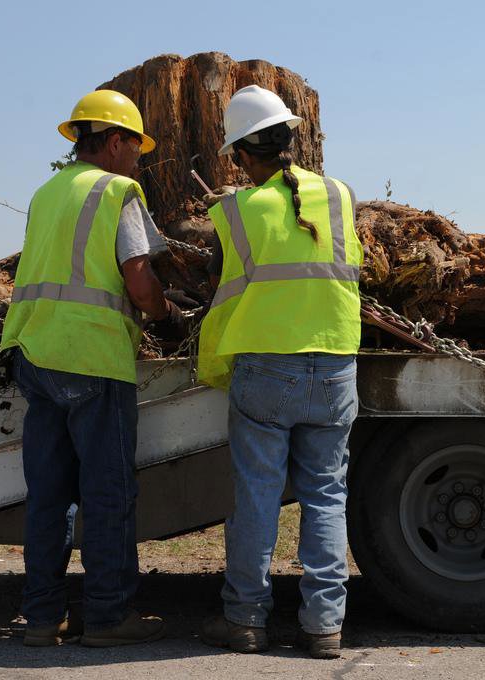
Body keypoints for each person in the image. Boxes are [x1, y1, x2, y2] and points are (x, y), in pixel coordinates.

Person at [0, 89, 189, 648]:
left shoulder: (46, 191)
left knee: (49, 495)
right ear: (113, 142)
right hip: (92, 359)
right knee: (107, 493)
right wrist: (165, 312)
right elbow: (136, 276)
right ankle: (108, 618)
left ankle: (41, 618)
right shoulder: (117, 190)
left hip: (34, 353)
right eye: (136, 148)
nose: (140, 161)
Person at [197, 85, 362, 659]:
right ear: (294, 138)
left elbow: (220, 294)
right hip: (337, 362)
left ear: (242, 155)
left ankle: (245, 620)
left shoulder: (235, 213)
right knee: (325, 495)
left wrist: (211, 362)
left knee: (258, 497)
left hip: (266, 367)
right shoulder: (341, 196)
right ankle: (324, 628)